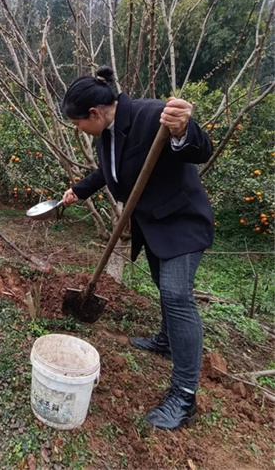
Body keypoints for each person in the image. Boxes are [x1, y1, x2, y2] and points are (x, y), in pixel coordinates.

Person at [61, 66, 214, 430]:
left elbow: (199, 148)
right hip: (154, 224)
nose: (77, 128)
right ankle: (166, 339)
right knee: (165, 288)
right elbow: (107, 172)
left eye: (77, 122)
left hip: (181, 221)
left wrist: (183, 129)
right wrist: (78, 190)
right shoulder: (106, 137)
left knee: (177, 296)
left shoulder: (150, 116)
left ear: (95, 114)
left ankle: (184, 395)